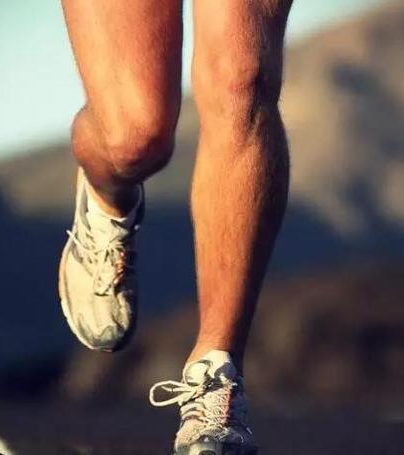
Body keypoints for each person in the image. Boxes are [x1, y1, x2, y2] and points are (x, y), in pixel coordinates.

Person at [58, 1, 293, 453]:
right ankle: (107, 197)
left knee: (242, 75)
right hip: (127, 148)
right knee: (134, 136)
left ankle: (216, 378)